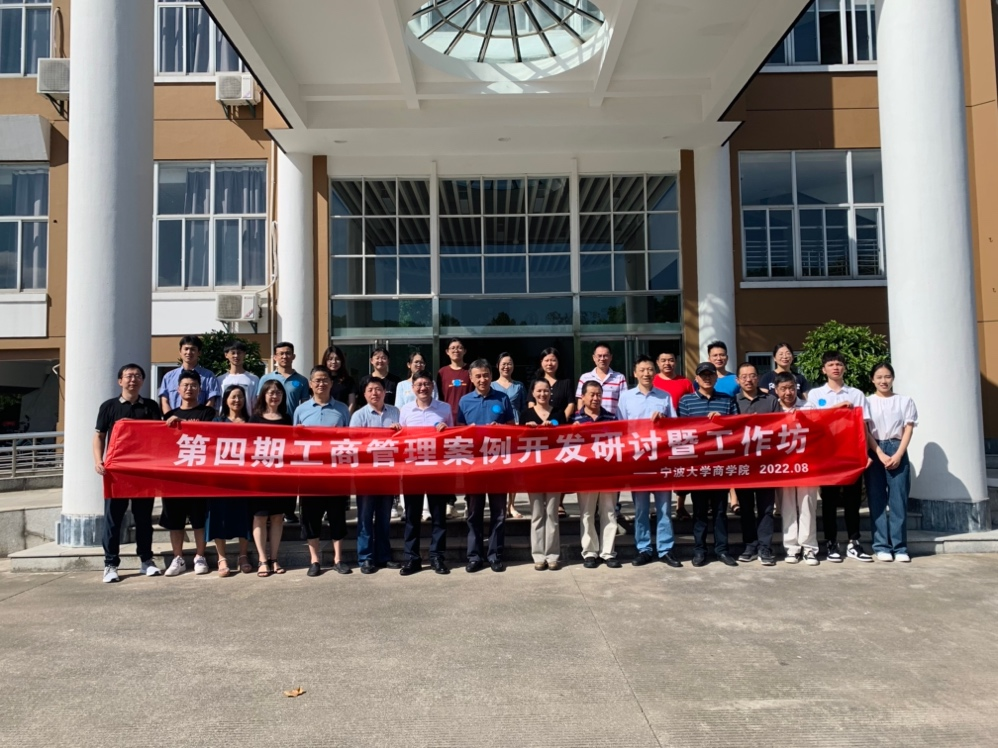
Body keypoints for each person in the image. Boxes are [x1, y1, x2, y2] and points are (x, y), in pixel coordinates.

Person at [94, 364, 163, 583]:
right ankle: (110, 564)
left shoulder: (151, 406)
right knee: (113, 519)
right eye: (128, 376)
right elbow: (99, 436)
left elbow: (159, 435)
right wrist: (98, 461)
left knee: (143, 519)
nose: (133, 379)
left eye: (137, 376)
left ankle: (146, 560)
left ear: (143, 380)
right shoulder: (109, 406)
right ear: (120, 381)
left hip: (143, 472)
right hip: (117, 472)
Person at [806, 351, 875, 563]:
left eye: (838, 364)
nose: (835, 368)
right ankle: (831, 542)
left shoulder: (856, 394)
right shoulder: (816, 394)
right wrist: (836, 408)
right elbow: (810, 420)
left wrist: (866, 454)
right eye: (831, 364)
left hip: (851, 454)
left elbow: (863, 426)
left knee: (853, 500)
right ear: (823, 370)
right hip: (827, 455)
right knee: (829, 501)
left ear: (844, 368)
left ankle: (854, 542)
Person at [617, 355, 682, 569]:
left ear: (655, 373)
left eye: (650, 369)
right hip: (638, 462)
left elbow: (675, 428)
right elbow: (620, 429)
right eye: (642, 370)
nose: (647, 373)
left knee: (664, 508)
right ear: (635, 373)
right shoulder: (626, 398)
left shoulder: (664, 396)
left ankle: (665, 549)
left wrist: (664, 421)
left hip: (660, 460)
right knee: (641, 509)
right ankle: (643, 549)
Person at [677, 362, 740, 568]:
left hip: (720, 463)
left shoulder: (727, 400)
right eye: (702, 375)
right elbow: (681, 431)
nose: (707, 378)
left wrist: (724, 421)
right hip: (698, 465)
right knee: (700, 510)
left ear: (715, 378)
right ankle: (699, 550)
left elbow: (738, 428)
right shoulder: (686, 401)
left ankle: (722, 550)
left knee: (720, 511)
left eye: (710, 375)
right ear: (696, 379)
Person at [293, 365, 352, 577]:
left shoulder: (342, 409)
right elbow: (293, 442)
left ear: (331, 383)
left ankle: (338, 559)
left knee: (337, 516)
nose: (321, 383)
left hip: (336, 473)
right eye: (317, 380)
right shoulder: (301, 410)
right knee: (311, 518)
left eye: (325, 379)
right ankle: (314, 560)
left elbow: (350, 439)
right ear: (310, 384)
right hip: (310, 474)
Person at [457, 358, 515, 573]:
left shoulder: (502, 397)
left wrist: (500, 428)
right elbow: (458, 431)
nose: (482, 379)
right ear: (471, 378)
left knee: (499, 513)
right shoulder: (464, 401)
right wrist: (468, 431)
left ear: (491, 376)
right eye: (478, 376)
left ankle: (495, 555)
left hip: (497, 464)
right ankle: (474, 556)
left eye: (486, 375)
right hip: (474, 466)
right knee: (474, 512)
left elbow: (512, 428)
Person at [398, 371, 453, 575]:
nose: (423, 388)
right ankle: (412, 559)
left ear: (433, 386)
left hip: (437, 469)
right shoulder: (405, 410)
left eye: (427, 384)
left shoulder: (444, 409)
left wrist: (446, 430)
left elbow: (454, 438)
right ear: (412, 388)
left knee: (439, 517)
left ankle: (437, 557)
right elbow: (400, 440)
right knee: (412, 517)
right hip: (412, 471)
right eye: (419, 384)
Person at [161, 370, 215, 576]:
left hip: (198, 477)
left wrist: (196, 427)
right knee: (175, 521)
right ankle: (178, 558)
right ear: (178, 389)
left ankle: (200, 556)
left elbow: (213, 437)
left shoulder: (207, 413)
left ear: (199, 389)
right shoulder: (169, 416)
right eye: (185, 385)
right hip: (174, 477)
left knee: (199, 520)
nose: (189, 389)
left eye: (193, 385)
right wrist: (170, 425)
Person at [865, 362, 918, 563]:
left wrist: (898, 454)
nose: (883, 381)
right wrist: (879, 452)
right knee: (876, 500)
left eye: (887, 376)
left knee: (898, 500)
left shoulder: (905, 401)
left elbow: (908, 428)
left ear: (893, 378)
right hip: (875, 448)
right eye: (879, 377)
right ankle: (881, 546)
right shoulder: (867, 402)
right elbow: (865, 430)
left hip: (897, 447)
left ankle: (900, 547)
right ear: (872, 380)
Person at [350, 377, 403, 574]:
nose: (375, 393)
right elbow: (355, 444)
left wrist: (399, 433)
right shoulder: (358, 415)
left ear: (384, 392)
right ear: (364, 394)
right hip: (366, 474)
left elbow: (404, 440)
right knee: (365, 517)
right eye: (370, 389)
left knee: (384, 517)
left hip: (388, 473)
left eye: (378, 389)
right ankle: (365, 558)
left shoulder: (395, 412)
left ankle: (383, 556)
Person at [733, 362, 781, 566]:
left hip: (765, 463)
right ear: (738, 380)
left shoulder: (771, 401)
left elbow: (780, 427)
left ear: (758, 378)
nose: (748, 380)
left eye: (752, 375)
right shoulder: (733, 402)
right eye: (744, 376)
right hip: (743, 464)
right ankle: (750, 545)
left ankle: (765, 547)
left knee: (766, 508)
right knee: (745, 508)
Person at [247, 380, 297, 577]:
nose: (274, 396)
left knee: (277, 517)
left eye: (278, 393)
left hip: (281, 476)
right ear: (263, 395)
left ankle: (274, 558)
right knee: (259, 516)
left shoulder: (287, 419)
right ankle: (262, 559)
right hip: (259, 475)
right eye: (271, 392)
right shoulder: (255, 419)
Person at [773, 372, 820, 566]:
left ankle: (809, 548)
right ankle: (791, 547)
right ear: (776, 390)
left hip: (806, 464)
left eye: (791, 388)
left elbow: (819, 431)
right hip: (782, 465)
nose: (788, 392)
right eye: (783, 389)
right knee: (787, 506)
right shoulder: (773, 409)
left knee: (807, 505)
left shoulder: (808, 407)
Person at [573, 381, 622, 568]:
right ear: (583, 397)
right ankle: (590, 552)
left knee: (609, 512)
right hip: (585, 474)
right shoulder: (575, 420)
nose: (595, 398)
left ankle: (608, 553)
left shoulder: (611, 418)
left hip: (607, 473)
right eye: (591, 394)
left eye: (598, 394)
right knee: (587, 513)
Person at [206, 385, 253, 577]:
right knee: (219, 516)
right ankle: (222, 558)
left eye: (240, 397)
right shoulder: (217, 421)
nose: (237, 400)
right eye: (233, 397)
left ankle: (243, 556)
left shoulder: (251, 422)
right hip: (221, 478)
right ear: (226, 400)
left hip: (244, 478)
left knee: (244, 516)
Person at [520, 379, 561, 571]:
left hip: (554, 470)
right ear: (533, 393)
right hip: (533, 470)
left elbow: (566, 438)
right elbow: (518, 442)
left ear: (550, 392)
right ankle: (538, 555)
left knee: (552, 514)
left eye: (546, 391)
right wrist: (526, 430)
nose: (542, 394)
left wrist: (554, 429)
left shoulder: (558, 413)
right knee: (537, 514)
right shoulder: (526, 414)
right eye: (539, 391)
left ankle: (552, 555)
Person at [535, 346, 576, 518]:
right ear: (541, 362)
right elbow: (531, 403)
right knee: (541, 467)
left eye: (553, 360)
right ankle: (542, 500)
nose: (550, 363)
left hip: (560, 430)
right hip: (539, 432)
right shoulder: (536, 381)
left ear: (558, 362)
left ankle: (558, 502)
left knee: (560, 466)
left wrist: (559, 420)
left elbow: (571, 403)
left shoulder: (565, 382)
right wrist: (539, 422)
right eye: (546, 360)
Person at [437, 338, 473, 519]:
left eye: (459, 347)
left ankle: (468, 502)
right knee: (448, 465)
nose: (456, 350)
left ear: (464, 351)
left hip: (466, 423)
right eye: (452, 348)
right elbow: (438, 396)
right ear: (447, 352)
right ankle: (449, 503)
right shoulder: (442, 372)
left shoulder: (470, 371)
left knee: (468, 465)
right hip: (447, 424)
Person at [492, 352, 525, 518]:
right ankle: (500, 504)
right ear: (498, 366)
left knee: (513, 467)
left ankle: (511, 505)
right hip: (498, 428)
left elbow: (524, 407)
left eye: (509, 363)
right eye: (503, 363)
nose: (506, 366)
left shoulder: (519, 386)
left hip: (515, 427)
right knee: (499, 468)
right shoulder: (491, 385)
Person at [157, 335, 221, 414]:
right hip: (173, 420)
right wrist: (170, 417)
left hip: (199, 420)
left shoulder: (209, 376)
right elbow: (164, 401)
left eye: (192, 349)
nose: (189, 352)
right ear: (180, 351)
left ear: (199, 352)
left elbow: (211, 401)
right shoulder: (168, 377)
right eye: (186, 349)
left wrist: (201, 417)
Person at [575, 342, 628, 417]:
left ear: (611, 357)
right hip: (589, 421)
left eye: (605, 356)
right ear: (594, 358)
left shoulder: (619, 378)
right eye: (599, 356)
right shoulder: (584, 378)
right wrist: (582, 418)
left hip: (612, 420)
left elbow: (624, 402)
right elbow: (581, 401)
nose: (602, 359)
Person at [258, 341, 310, 412]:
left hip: (292, 418)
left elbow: (305, 405)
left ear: (293, 356)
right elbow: (260, 403)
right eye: (281, 354)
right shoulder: (265, 379)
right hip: (270, 418)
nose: (284, 357)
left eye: (288, 353)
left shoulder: (302, 380)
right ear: (275, 357)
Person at [323, 344, 357, 411]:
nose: (334, 362)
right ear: (325, 361)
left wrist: (347, 415)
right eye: (330, 359)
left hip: (342, 414)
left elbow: (352, 403)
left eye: (337, 359)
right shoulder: (321, 380)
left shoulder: (348, 380)